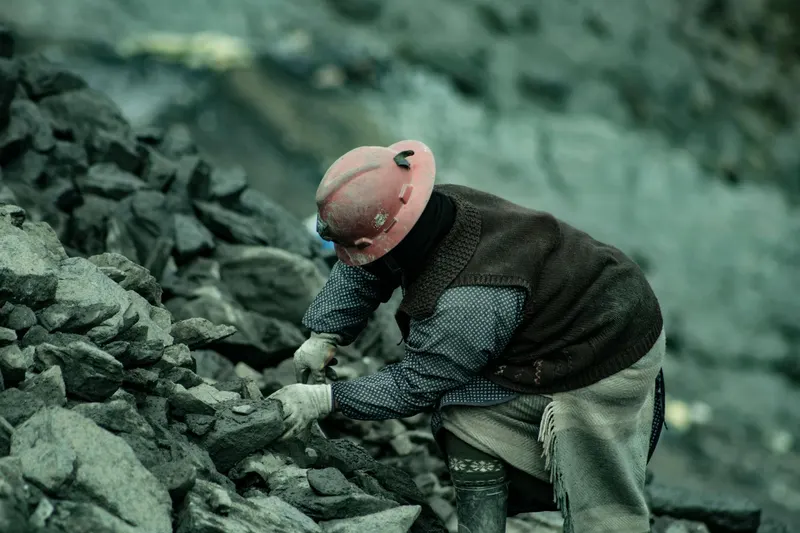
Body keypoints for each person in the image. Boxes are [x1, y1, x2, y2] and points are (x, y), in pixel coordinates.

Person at [268, 140, 666, 533]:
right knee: (463, 400)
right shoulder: (423, 209)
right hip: (581, 296)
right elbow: (367, 264)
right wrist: (324, 333)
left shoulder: (467, 304)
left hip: (607, 341)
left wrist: (325, 400)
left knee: (478, 423)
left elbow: (417, 385)